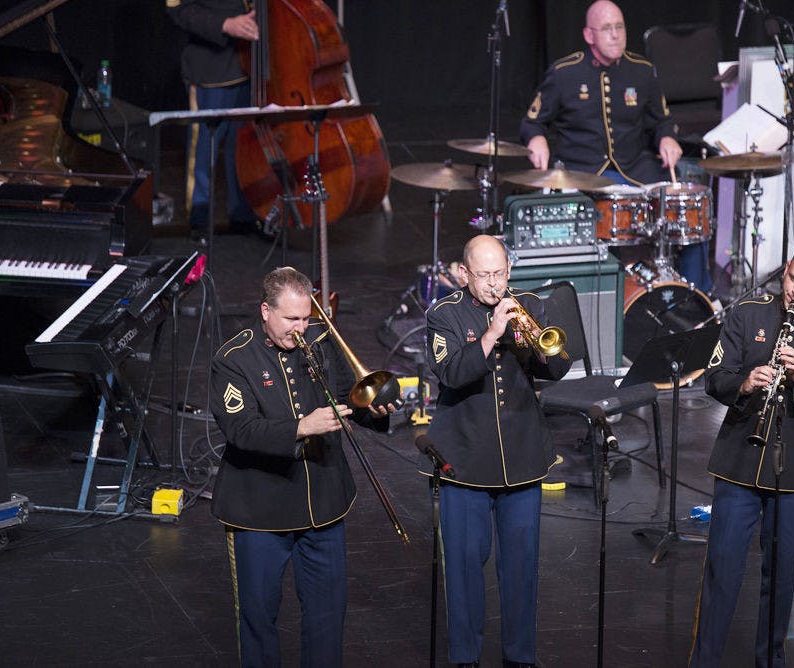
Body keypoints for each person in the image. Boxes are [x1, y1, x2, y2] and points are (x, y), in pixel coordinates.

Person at [209, 266, 393, 666]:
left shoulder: (321, 341)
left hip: (324, 502)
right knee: (258, 619)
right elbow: (241, 430)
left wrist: (375, 411)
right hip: (260, 510)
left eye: (306, 318)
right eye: (291, 319)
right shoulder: (233, 359)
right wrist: (300, 428)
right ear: (265, 312)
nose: (301, 328)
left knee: (328, 618)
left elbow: (351, 398)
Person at [689, 243, 794, 667]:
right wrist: (745, 384)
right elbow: (714, 377)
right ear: (785, 271)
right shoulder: (748, 312)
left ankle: (770, 660)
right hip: (738, 459)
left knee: (780, 577)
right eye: (792, 278)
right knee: (722, 571)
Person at [423, 235, 571, 668]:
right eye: (484, 275)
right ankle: (465, 658)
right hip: (465, 457)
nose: (494, 284)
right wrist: (491, 334)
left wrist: (537, 345)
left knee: (522, 569)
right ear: (464, 274)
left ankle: (520, 656)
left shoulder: (529, 304)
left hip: (523, 454)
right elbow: (451, 374)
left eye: (501, 273)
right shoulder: (444, 314)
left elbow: (558, 369)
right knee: (465, 570)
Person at [519, 0, 713, 294]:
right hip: (581, 174)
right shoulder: (564, 73)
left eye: (619, 27)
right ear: (589, 35)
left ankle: (696, 301)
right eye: (606, 29)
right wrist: (536, 138)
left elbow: (662, 121)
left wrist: (667, 137)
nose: (615, 35)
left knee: (688, 215)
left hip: (637, 170)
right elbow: (532, 122)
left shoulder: (643, 71)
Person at [166, 0, 261, 244]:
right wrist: (225, 24)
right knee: (204, 147)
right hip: (211, 68)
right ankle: (200, 215)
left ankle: (244, 213)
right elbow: (178, 10)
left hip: (253, 62)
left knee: (243, 148)